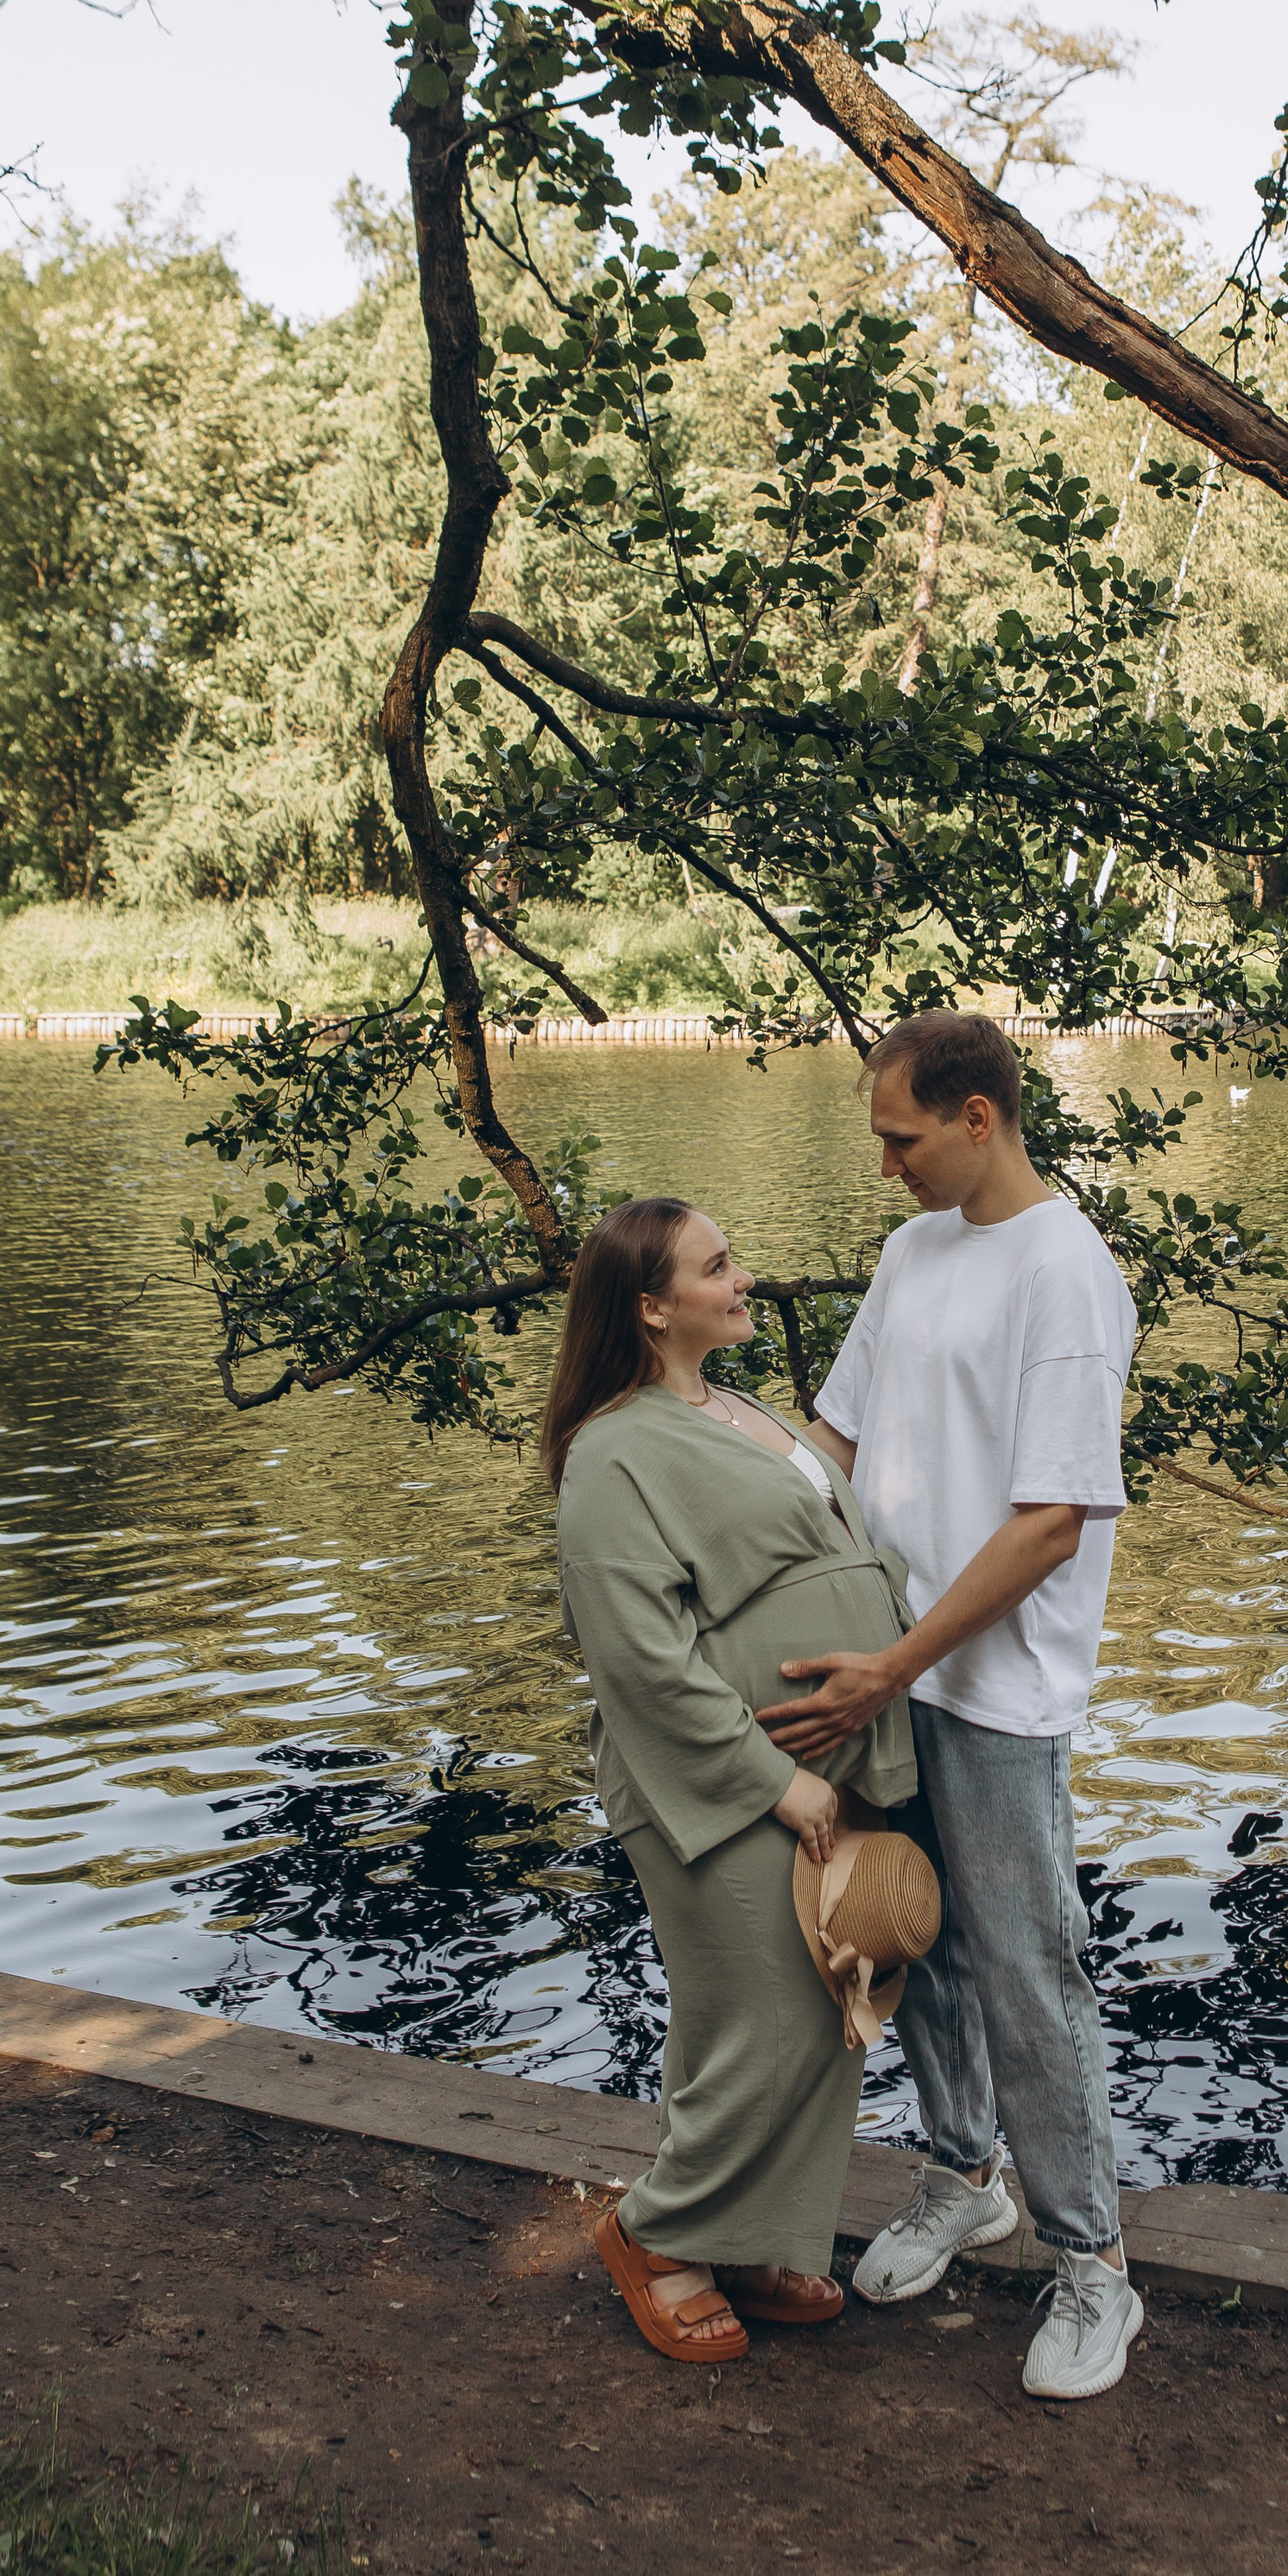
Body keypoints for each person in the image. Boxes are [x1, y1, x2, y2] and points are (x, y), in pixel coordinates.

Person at [760, 1011, 1144, 2402]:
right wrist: (718, 1508)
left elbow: (1051, 1523)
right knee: (905, 1931)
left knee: (1031, 1968)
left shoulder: (1066, 1275)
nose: (886, 1165)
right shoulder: (911, 1254)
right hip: (886, 1668)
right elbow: (831, 1445)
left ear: (978, 1119)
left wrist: (898, 1664)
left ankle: (1094, 2264)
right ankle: (965, 2173)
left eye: (900, 1137)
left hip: (991, 1689)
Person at [546, 1195, 919, 2364]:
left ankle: (752, 2236)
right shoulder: (614, 1451)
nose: (744, 1279)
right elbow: (638, 1658)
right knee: (758, 2019)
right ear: (653, 1306)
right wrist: (774, 1780)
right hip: (721, 1782)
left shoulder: (742, 1409)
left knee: (824, 2008)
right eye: (718, 1268)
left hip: (829, 1760)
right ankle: (658, 2236)